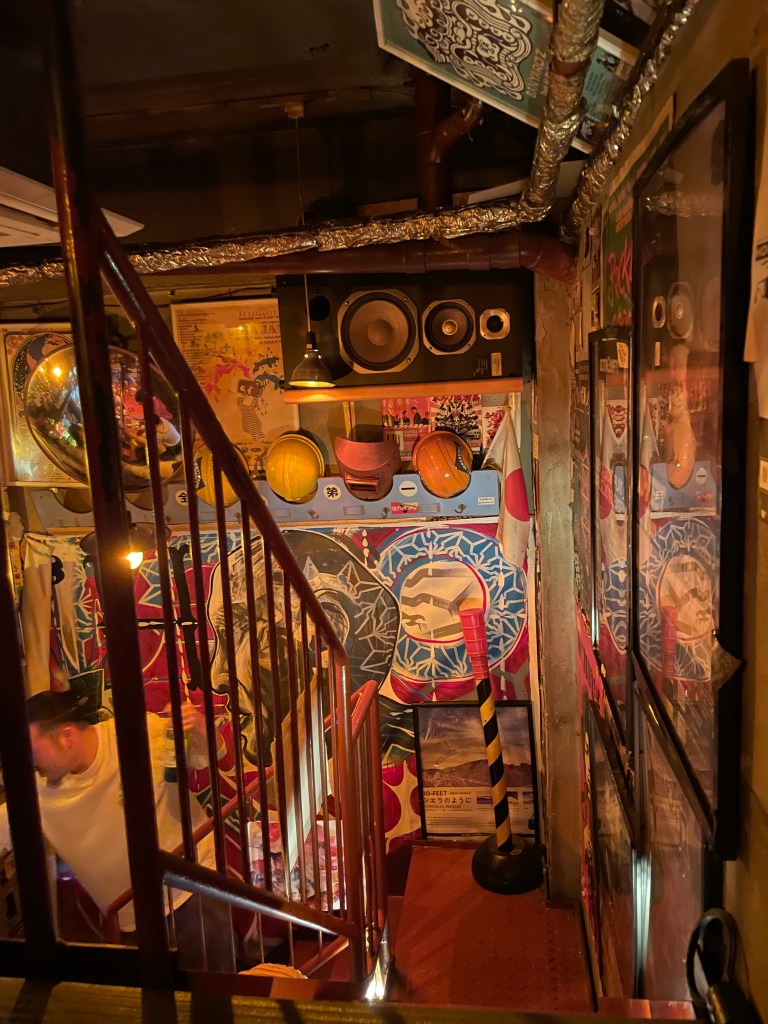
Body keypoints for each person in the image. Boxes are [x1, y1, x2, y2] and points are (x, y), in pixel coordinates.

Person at [0, 690, 234, 972]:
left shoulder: (135, 735)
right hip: (130, 917)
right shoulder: (35, 791)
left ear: (67, 736)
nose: (31, 762)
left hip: (193, 891)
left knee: (216, 993)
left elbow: (211, 754)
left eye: (33, 751)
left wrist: (196, 724)